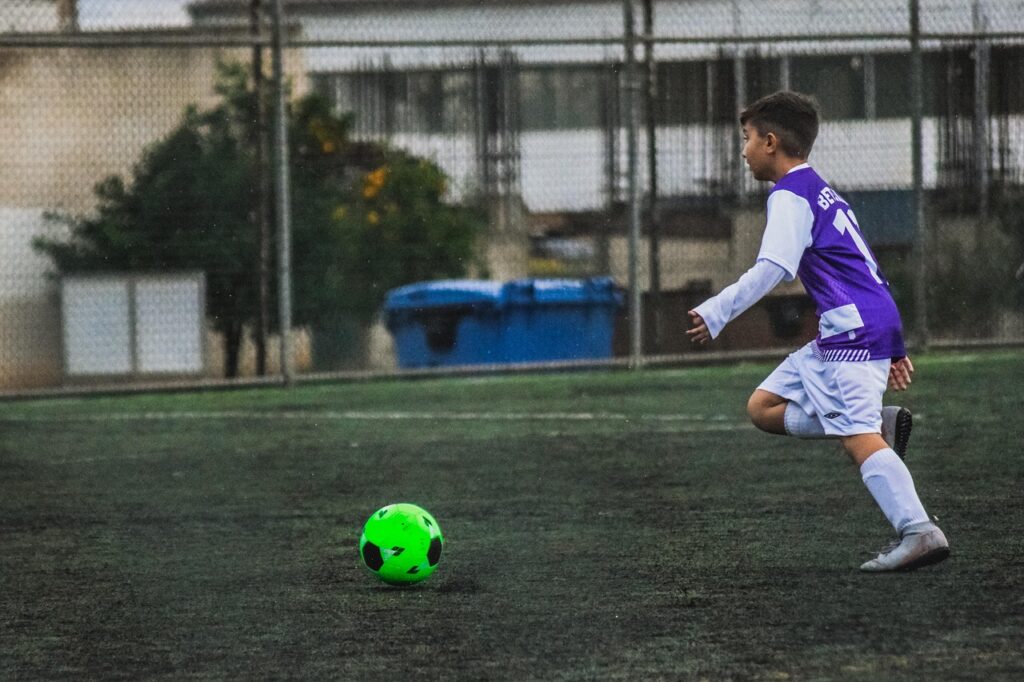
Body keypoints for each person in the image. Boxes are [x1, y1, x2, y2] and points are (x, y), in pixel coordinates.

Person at [687, 91, 949, 572]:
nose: (743, 151)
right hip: (856, 325)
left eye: (746, 139)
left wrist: (716, 311)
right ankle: (876, 425)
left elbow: (773, 268)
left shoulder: (790, 194)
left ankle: (919, 530)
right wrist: (892, 341)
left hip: (852, 331)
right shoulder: (820, 190)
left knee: (856, 439)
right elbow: (865, 269)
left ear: (770, 142)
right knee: (763, 408)